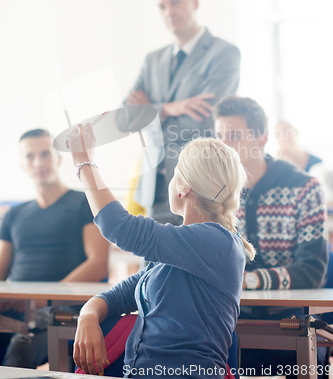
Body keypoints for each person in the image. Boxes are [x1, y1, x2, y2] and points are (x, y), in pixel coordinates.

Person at [66, 124, 255, 378]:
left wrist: (84, 163)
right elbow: (121, 294)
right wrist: (88, 314)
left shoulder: (217, 242)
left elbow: (119, 228)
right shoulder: (178, 250)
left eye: (175, 173)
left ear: (184, 187)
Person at [213, 96, 328, 376]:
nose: (224, 146)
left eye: (234, 136)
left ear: (261, 139)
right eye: (219, 136)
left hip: (290, 328)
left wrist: (249, 280)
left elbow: (312, 271)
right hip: (227, 325)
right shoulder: (213, 191)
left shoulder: (304, 187)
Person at [125, 0, 241, 225]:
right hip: (156, 187)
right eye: (162, 6)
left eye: (176, 2)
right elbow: (125, 118)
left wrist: (149, 112)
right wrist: (170, 108)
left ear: (195, 3)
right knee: (155, 263)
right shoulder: (152, 60)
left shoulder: (224, 54)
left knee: (196, 262)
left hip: (201, 188)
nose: (169, 11)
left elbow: (200, 124)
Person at [0, 129, 109, 368]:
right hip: (17, 307)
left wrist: (40, 299)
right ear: (22, 164)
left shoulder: (84, 203)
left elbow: (98, 264)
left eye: (45, 154)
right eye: (30, 156)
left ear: (58, 158)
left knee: (21, 349)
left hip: (61, 309)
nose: (38, 162)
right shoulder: (12, 216)